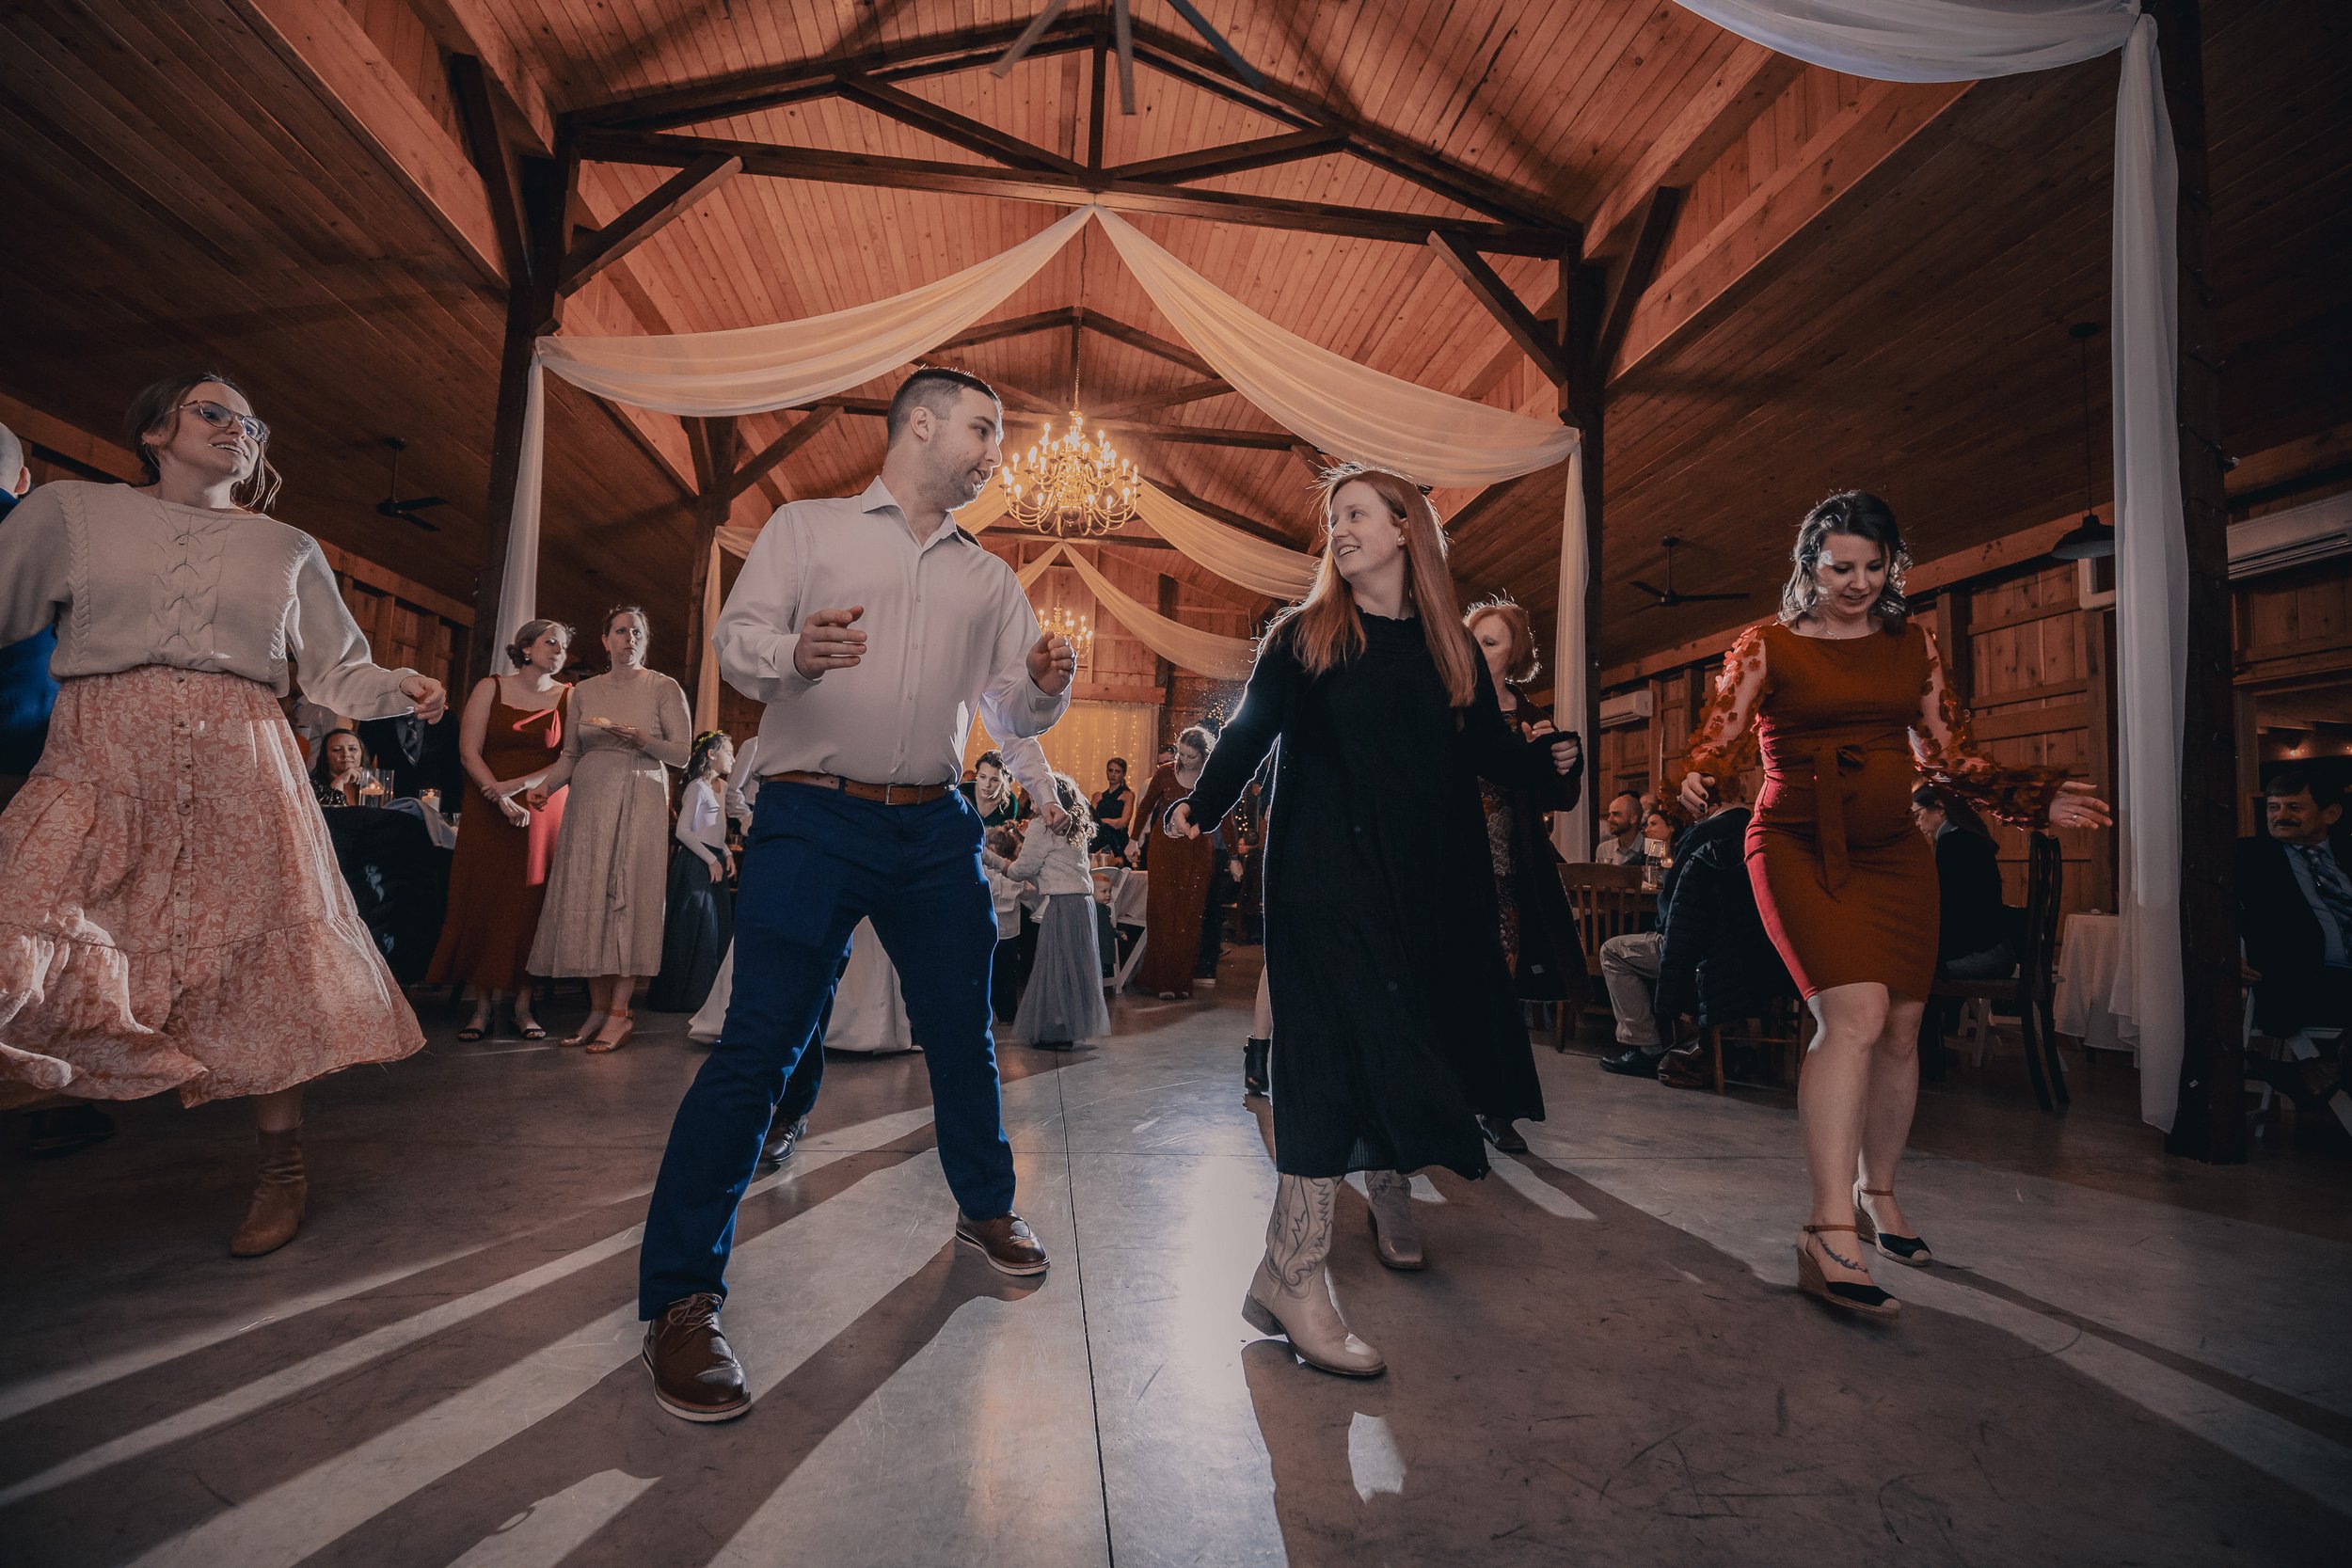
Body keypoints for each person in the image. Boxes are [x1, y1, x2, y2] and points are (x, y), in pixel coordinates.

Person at [635, 365, 1073, 1423]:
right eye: (983, 428)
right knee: (761, 1043)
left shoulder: (989, 578)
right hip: (811, 812)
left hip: (932, 824)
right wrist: (797, 649)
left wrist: (1048, 681)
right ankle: (681, 1294)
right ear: (919, 423)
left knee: (963, 1035)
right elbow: (742, 650)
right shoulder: (806, 526)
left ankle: (986, 1207)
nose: (994, 451)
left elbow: (1012, 711)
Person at [0, 372, 446, 1255]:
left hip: (242, 758)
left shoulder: (286, 545)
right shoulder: (68, 512)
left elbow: (332, 670)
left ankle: (280, 1168)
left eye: (252, 424)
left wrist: (400, 684)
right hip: (102, 754)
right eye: (214, 412)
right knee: (25, 921)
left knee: (262, 959)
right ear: (156, 426)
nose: (237, 430)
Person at [1168, 463, 1578, 1378]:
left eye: (1356, 514)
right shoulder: (1306, 635)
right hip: (1320, 881)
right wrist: (1201, 803)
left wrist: (1552, 762)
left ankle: (1289, 1265)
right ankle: (1301, 1274)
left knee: (1380, 1056)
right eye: (1333, 518)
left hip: (1417, 888)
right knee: (1324, 1059)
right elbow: (1247, 733)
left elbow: (1489, 754)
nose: (1340, 529)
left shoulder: (1446, 647)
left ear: (1404, 529)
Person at [1680, 491, 2108, 1320]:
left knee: (1905, 1028)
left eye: (1875, 567)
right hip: (1799, 844)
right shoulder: (1764, 645)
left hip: (1897, 856)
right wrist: (1691, 780)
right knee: (1854, 1015)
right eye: (1841, 566)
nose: (1859, 581)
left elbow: (1948, 755)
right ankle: (1825, 1229)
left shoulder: (1912, 642)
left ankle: (1877, 1193)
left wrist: (2034, 796)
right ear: (1810, 564)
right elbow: (1713, 741)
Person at [525, 606, 691, 1053]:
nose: (629, 639)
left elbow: (681, 754)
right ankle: (597, 1010)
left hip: (640, 793)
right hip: (590, 799)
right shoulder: (583, 691)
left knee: (627, 896)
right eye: (620, 631)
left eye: (637, 632)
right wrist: (546, 787)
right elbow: (571, 754)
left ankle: (621, 1012)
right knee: (589, 896)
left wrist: (641, 739)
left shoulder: (663, 687)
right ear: (605, 640)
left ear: (645, 639)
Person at [1466, 596, 1585, 1150]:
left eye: (1491, 643)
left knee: (1501, 986)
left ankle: (1497, 1106)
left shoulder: (1532, 716)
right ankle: (1445, 1100)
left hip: (1510, 871)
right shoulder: (1451, 706)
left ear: (1513, 656)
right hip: (1452, 867)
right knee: (1449, 982)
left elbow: (1560, 797)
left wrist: (1565, 758)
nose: (1478, 650)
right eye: (1474, 639)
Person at [426, 617, 573, 1040]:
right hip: (486, 804)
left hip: (543, 807)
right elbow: (468, 751)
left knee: (530, 903)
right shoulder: (490, 686)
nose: (558, 651)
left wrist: (518, 788)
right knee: (485, 896)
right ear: (526, 647)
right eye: (551, 642)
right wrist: (498, 795)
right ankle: (482, 1007)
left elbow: (567, 759)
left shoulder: (569, 696)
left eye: (563, 646)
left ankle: (524, 1007)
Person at [1598, 771, 1752, 1077]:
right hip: (1749, 952)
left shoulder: (1699, 835)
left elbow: (1674, 906)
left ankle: (1645, 1047)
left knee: (1612, 950)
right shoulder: (1754, 830)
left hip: (1699, 952)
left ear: (1703, 800)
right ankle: (1734, 1045)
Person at [2238, 768, 2352, 1105]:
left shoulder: (2347, 853)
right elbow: (2204, 907)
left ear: (2331, 813)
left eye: (2294, 807)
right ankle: (2327, 1067)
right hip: (2302, 982)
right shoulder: (2247, 857)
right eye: (2274, 807)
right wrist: (2226, 950)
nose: (2280, 816)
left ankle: (2324, 1070)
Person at [989, 774, 1107, 1051]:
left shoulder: (1042, 826)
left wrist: (990, 858)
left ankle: (1054, 1030)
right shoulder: (1074, 825)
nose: (1030, 799)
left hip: (1063, 904)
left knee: (1054, 967)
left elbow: (1020, 871)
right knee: (1073, 968)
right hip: (1083, 903)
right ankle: (1067, 1028)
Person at [1136, 726, 1232, 999]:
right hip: (1164, 845)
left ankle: (1181, 981)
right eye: (1181, 753)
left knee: (1190, 915)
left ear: (1203, 755)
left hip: (1197, 847)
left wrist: (1234, 856)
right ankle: (1162, 980)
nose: (1184, 759)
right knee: (1163, 911)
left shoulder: (1211, 778)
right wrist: (1134, 839)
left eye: (1190, 756)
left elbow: (1227, 816)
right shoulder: (1165, 772)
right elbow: (1146, 807)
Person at [648, 732, 738, 1015]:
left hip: (714, 860)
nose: (733, 758)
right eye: (728, 751)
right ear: (711, 754)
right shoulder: (697, 787)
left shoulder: (721, 787)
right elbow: (684, 831)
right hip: (696, 864)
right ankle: (684, 998)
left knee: (716, 931)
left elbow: (715, 829)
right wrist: (711, 859)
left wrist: (726, 853)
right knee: (694, 930)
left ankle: (710, 998)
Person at [1912, 784, 2014, 980]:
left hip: (1984, 955)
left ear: (1940, 809)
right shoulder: (1965, 837)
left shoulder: (1953, 843)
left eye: (1917, 814)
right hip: (1995, 949)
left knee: (1907, 972)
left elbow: (1952, 911)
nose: (1916, 823)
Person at [1126, 746, 1184, 871]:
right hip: (1151, 838)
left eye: (1167, 762)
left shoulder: (1184, 783)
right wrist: (1137, 841)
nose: (1164, 767)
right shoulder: (1149, 783)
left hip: (1176, 840)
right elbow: (1142, 811)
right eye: (1160, 764)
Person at [310, 728, 382, 808]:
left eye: (352, 749)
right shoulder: (312, 785)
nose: (346, 754)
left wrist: (378, 789)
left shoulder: (370, 783)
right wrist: (340, 781)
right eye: (337, 750)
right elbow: (327, 815)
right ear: (325, 756)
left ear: (362, 754)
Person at [1091, 755, 1134, 857]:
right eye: (1110, 771)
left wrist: (1103, 821)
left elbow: (1123, 823)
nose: (1113, 774)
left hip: (1119, 840)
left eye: (1117, 771)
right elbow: (1091, 822)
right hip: (1100, 841)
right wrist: (1111, 822)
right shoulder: (1098, 796)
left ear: (1123, 774)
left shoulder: (1127, 795)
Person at [1593, 791, 1645, 865]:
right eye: (1609, 814)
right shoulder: (1604, 849)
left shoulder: (1651, 848)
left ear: (1633, 818)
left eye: (1616, 814)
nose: (1609, 819)